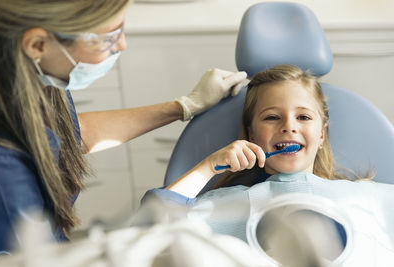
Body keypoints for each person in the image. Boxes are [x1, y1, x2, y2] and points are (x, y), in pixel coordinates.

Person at [0, 0, 247, 254]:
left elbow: (70, 133)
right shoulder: (3, 173)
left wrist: (184, 106)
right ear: (38, 44)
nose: (122, 44)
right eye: (108, 38)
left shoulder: (34, 80)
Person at [142, 65, 394, 264]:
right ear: (251, 136)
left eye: (303, 117)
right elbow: (150, 227)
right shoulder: (225, 205)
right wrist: (208, 166)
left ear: (321, 136)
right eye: (272, 117)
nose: (289, 126)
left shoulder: (367, 195)